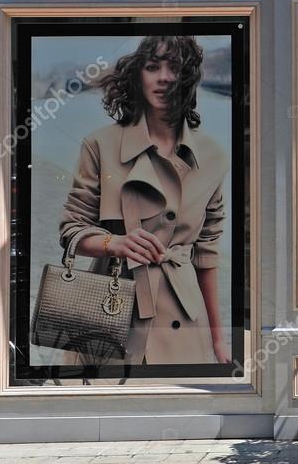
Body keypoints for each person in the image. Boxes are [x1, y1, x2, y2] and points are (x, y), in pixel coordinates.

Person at [57, 35, 230, 365]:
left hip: (183, 320)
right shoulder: (100, 145)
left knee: (179, 414)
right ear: (138, 76)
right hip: (111, 306)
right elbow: (71, 229)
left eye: (175, 68)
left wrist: (218, 340)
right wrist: (115, 242)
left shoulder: (213, 156)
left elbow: (206, 256)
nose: (163, 77)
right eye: (153, 67)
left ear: (188, 78)